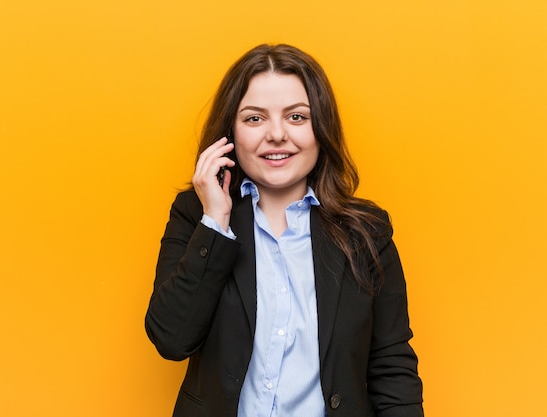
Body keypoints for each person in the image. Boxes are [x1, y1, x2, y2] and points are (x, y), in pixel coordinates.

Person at [145, 43, 424, 417]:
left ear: (321, 128)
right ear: (230, 134)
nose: (276, 135)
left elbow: (393, 367)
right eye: (254, 118)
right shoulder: (196, 216)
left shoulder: (366, 233)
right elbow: (171, 339)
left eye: (296, 117)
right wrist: (214, 222)